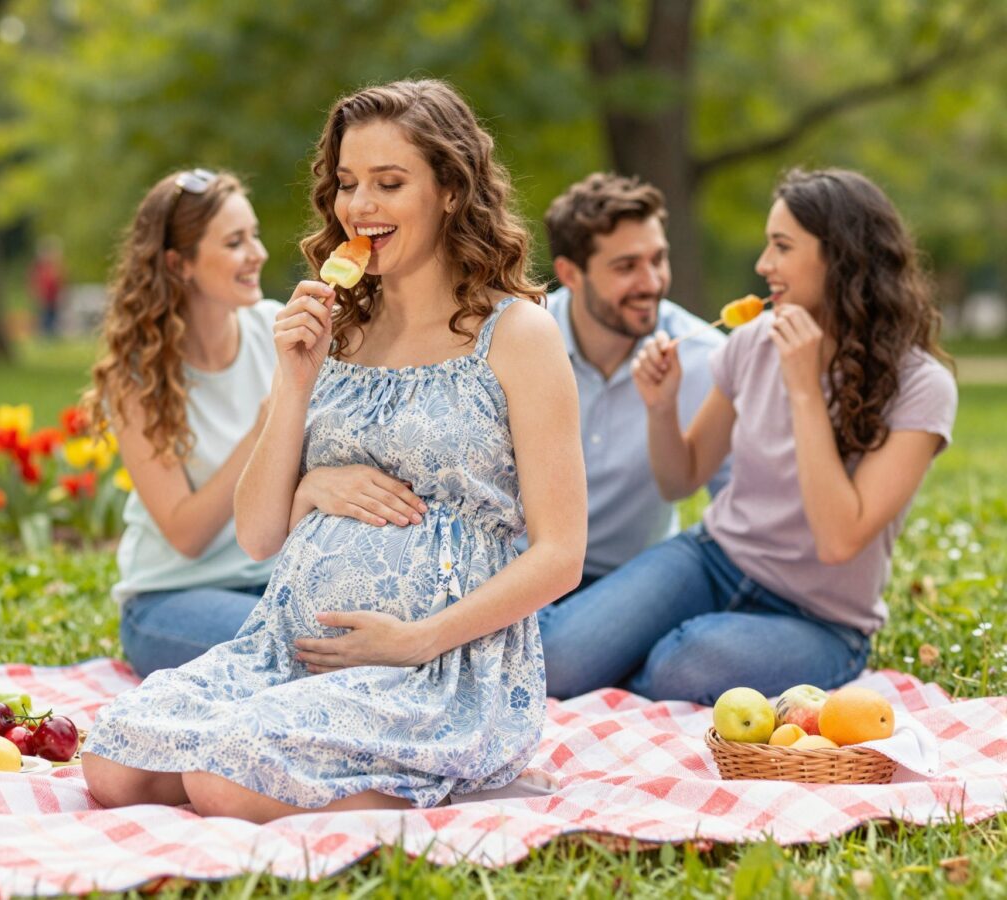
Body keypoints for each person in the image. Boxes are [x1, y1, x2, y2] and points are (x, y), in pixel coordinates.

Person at [82, 78, 586, 823]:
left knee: (224, 784)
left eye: (390, 183)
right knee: (113, 763)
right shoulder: (335, 329)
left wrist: (417, 641)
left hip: (436, 666)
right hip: (287, 649)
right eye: (348, 183)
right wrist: (294, 384)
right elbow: (257, 535)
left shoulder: (517, 335)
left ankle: (465, 788)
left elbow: (562, 555)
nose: (360, 205)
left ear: (450, 191)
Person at [538, 167, 957, 705]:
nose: (763, 265)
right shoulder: (753, 341)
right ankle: (615, 657)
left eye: (781, 246)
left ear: (840, 257)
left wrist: (804, 390)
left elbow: (838, 540)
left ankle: (638, 659)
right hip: (713, 559)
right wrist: (662, 407)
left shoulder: (922, 387)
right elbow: (681, 480)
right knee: (560, 659)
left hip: (818, 617)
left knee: (682, 666)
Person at [524, 174, 730, 698]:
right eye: (626, 266)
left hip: (629, 580)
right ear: (570, 273)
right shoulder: (519, 341)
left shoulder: (706, 358)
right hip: (519, 571)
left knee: (550, 663)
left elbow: (734, 500)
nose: (651, 282)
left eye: (658, 259)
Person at [82, 169, 279, 677]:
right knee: (299, 647)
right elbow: (185, 534)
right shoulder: (137, 377)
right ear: (179, 263)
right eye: (235, 242)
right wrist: (262, 433)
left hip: (278, 583)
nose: (257, 253)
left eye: (254, 235)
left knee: (361, 636)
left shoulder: (277, 330)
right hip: (172, 601)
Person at [29, 237, 65, 338]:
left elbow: (60, 282)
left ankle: (50, 335)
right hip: (44, 297)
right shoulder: (40, 268)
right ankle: (45, 335)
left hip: (53, 297)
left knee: (53, 317)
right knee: (45, 318)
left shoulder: (55, 267)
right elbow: (36, 283)